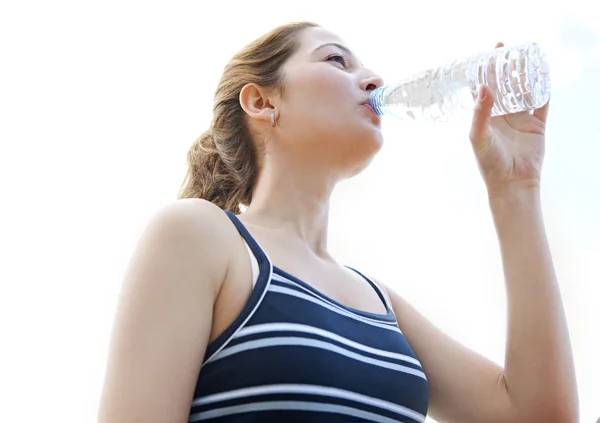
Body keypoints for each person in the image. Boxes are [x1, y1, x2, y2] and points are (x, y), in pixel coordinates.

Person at [97, 22, 579, 423]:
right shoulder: (199, 236)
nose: (371, 78)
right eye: (336, 61)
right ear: (263, 102)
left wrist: (516, 188)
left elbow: (537, 415)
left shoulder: (381, 303)